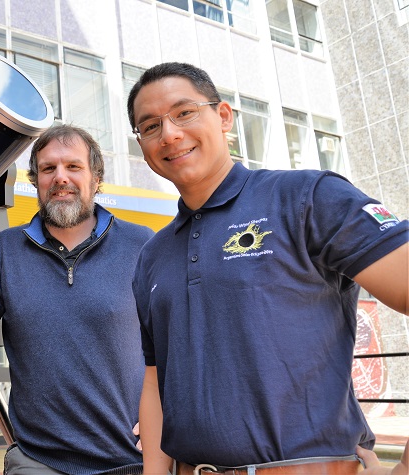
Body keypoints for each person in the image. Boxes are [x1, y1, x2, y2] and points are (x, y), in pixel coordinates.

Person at [126, 62, 409, 475]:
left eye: (184, 112)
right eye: (149, 126)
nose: (169, 133)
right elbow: (155, 381)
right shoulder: (152, 255)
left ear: (223, 117)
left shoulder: (307, 197)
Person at [0, 124, 154, 475]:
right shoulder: (6, 251)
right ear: (36, 181)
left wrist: (170, 419)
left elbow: (178, 341)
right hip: (38, 462)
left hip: (132, 460)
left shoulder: (141, 244)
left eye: (73, 166)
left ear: (96, 178)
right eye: (48, 168)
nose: (60, 177)